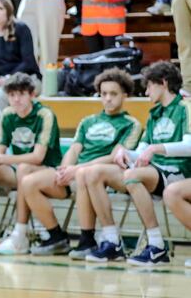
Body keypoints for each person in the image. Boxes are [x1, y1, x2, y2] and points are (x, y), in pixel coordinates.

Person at [22, 69, 142, 256]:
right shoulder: (88, 121)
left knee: (83, 175)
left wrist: (76, 169)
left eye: (113, 94)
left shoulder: (131, 123)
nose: (108, 98)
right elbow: (75, 148)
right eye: (104, 94)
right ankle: (57, 237)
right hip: (76, 172)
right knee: (28, 183)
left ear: (124, 96)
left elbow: (114, 156)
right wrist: (65, 169)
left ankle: (87, 240)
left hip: (100, 177)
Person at [108, 62, 191, 266]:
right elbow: (142, 150)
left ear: (163, 83)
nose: (146, 92)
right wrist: (124, 153)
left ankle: (155, 245)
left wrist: (156, 148)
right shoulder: (154, 115)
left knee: (142, 180)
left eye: (149, 86)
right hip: (165, 173)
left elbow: (189, 145)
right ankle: (155, 245)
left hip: (184, 171)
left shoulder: (186, 107)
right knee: (130, 175)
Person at [0, 73, 63, 254]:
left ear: (32, 95)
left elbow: (38, 157)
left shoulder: (45, 115)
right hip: (21, 173)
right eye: (12, 95)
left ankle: (20, 234)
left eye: (21, 94)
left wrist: (1, 159)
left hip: (49, 173)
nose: (16, 99)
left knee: (24, 168)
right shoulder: (7, 115)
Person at [0, 0, 41, 111]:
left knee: (0, 96)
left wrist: (7, 79)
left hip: (26, 77)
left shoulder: (21, 29)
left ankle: (1, 128)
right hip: (1, 79)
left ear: (8, 11)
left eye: (0, 8)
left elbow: (28, 62)